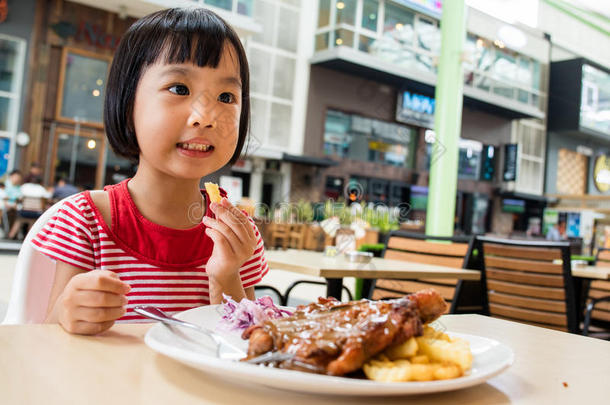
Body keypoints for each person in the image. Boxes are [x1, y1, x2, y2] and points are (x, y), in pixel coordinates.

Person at [31, 8, 267, 335]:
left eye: (226, 96)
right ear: (128, 104)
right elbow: (45, 341)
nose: (205, 116)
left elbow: (249, 346)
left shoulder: (238, 232)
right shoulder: (87, 220)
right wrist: (67, 312)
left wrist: (226, 273)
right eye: (179, 89)